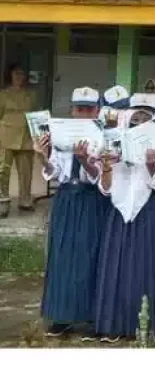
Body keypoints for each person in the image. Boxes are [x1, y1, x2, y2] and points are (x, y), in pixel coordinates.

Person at [93, 95, 155, 343]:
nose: (140, 121)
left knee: (153, 265)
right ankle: (115, 323)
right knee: (118, 266)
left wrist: (153, 165)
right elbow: (105, 188)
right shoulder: (112, 143)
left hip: (148, 209)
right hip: (119, 212)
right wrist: (107, 166)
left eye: (146, 117)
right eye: (135, 116)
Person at [36, 87, 103, 340]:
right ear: (72, 110)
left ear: (97, 110)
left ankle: (90, 315)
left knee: (91, 254)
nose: (83, 113)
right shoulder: (60, 133)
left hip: (91, 199)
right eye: (79, 108)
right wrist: (43, 156)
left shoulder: (102, 135)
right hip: (66, 197)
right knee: (62, 255)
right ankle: (62, 316)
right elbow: (54, 172)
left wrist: (85, 160)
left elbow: (99, 176)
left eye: (88, 109)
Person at [0, 64, 38, 217]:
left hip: (26, 136)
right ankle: (2, 202)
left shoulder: (31, 94)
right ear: (10, 75)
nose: (19, 76)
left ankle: (25, 201)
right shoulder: (3, 94)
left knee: (26, 171)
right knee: (3, 171)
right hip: (5, 136)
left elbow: (36, 114)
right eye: (16, 73)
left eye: (22, 73)